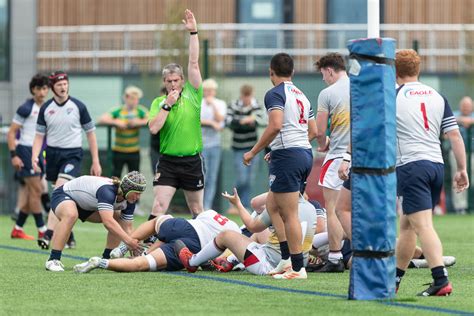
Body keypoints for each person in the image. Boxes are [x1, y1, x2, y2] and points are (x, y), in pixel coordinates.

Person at [393, 49, 468, 296]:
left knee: (423, 225)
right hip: (436, 165)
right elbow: (454, 135)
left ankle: (440, 278)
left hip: (412, 166)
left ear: (394, 71)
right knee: (407, 226)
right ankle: (393, 280)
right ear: (418, 69)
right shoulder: (437, 95)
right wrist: (462, 169)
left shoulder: (394, 96)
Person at [243, 53, 317, 279]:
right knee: (273, 207)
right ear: (292, 72)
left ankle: (297, 267)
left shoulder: (275, 93)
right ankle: (286, 259)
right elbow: (313, 132)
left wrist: (254, 151)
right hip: (302, 153)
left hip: (290, 156)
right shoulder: (302, 95)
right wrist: (281, 148)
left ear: (270, 71)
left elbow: (275, 125)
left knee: (289, 213)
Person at [32, 70, 102, 250]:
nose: (63, 87)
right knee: (61, 198)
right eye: (59, 85)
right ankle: (69, 235)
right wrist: (34, 156)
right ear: (52, 88)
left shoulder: (79, 106)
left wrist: (96, 160)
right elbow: (39, 136)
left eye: (65, 84)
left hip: (72, 155)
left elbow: (91, 134)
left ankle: (47, 234)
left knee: (58, 191)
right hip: (53, 155)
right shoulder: (46, 108)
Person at [175, 188, 316, 276]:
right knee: (262, 234)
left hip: (270, 266)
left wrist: (237, 204)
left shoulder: (281, 204)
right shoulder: (312, 208)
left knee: (226, 235)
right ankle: (230, 261)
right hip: (298, 265)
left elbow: (252, 225)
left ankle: (192, 262)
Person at [148, 9, 204, 220]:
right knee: (159, 205)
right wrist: (167, 105)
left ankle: (204, 250)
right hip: (168, 162)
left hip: (192, 161)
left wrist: (193, 32)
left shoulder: (193, 93)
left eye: (176, 80)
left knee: (197, 210)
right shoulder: (158, 102)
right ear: (165, 83)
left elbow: (193, 62)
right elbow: (154, 128)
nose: (173, 84)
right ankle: (145, 246)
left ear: (182, 80)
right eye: (169, 81)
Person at [73, 209, 240, 273]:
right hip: (194, 246)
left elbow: (197, 218)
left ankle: (128, 243)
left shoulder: (212, 213)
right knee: (140, 264)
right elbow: (221, 257)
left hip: (183, 225)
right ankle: (101, 263)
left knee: (158, 221)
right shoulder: (237, 233)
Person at [44, 172, 145, 271]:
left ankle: (107, 258)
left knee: (117, 219)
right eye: (137, 193)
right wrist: (129, 242)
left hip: (85, 204)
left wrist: (136, 249)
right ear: (127, 189)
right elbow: (108, 222)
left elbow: (127, 228)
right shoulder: (107, 191)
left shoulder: (129, 201)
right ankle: (53, 259)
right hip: (63, 194)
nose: (138, 197)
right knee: (71, 215)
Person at [313, 53, 350, 273]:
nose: (323, 79)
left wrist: (323, 142)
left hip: (338, 156)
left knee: (334, 209)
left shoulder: (327, 93)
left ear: (329, 70)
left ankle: (335, 257)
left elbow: (319, 130)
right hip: (361, 157)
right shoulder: (360, 87)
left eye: (323, 74)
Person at [8, 74, 50, 240]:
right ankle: (42, 230)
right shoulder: (26, 108)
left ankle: (18, 229)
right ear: (33, 89)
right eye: (39, 88)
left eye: (45, 88)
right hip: (25, 152)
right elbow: (11, 133)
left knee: (31, 193)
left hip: (37, 153)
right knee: (38, 190)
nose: (42, 91)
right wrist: (14, 156)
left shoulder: (47, 108)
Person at [226, 84, 266, 208]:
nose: (247, 99)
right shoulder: (233, 105)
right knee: (242, 178)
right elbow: (228, 122)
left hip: (253, 149)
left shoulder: (256, 105)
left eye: (249, 96)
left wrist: (244, 121)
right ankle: (234, 200)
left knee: (249, 180)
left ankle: (243, 206)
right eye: (245, 96)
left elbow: (262, 121)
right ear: (241, 95)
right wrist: (245, 120)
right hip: (238, 148)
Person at [98, 86, 148, 177]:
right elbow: (101, 119)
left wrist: (138, 122)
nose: (134, 101)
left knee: (135, 178)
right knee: (115, 177)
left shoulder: (140, 110)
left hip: (134, 151)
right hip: (119, 150)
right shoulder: (118, 110)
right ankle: (115, 191)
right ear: (126, 98)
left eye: (137, 99)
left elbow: (151, 119)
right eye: (132, 98)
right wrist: (116, 122)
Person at [200, 78, 227, 210]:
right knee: (203, 175)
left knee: (212, 177)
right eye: (206, 90)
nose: (209, 93)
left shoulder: (220, 103)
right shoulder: (199, 103)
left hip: (215, 145)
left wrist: (213, 107)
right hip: (201, 145)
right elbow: (197, 121)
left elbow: (221, 121)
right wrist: (211, 123)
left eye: (211, 90)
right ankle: (199, 205)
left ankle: (207, 206)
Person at [450, 96, 474, 213]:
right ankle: (460, 207)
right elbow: (450, 120)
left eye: (468, 105)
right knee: (458, 177)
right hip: (457, 153)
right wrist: (463, 120)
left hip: (472, 152)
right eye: (464, 105)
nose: (466, 108)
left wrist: (465, 121)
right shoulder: (454, 114)